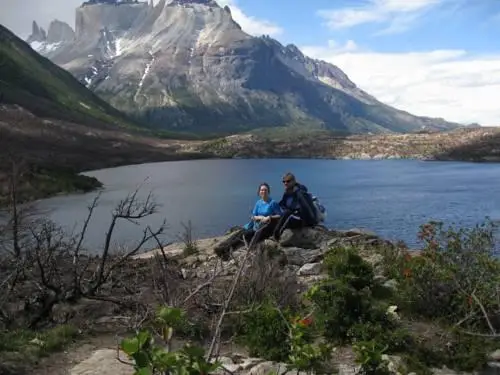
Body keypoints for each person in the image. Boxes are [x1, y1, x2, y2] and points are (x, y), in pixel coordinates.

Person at [214, 182, 282, 259]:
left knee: (244, 235)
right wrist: (258, 217)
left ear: (268, 191)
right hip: (255, 225)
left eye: (265, 190)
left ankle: (225, 251)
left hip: (264, 229)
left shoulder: (273, 203)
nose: (263, 192)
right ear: (259, 192)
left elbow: (280, 215)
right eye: (262, 190)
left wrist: (269, 217)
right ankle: (222, 247)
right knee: (238, 233)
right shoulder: (258, 203)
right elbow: (253, 216)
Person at [273, 172, 317, 241]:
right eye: (284, 182)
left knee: (286, 214)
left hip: (302, 219)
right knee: (275, 215)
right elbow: (282, 204)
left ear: (293, 181)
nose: (285, 183)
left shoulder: (300, 192)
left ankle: (276, 234)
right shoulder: (287, 193)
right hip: (293, 215)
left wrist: (311, 222)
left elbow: (305, 207)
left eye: (288, 181)